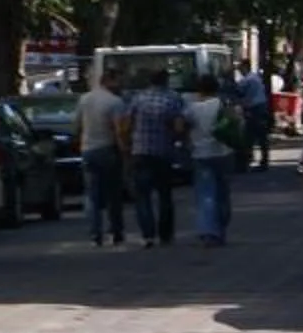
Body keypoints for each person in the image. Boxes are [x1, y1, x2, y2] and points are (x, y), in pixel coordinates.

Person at [119, 67, 188, 249]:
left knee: (143, 196)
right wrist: (176, 139)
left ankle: (147, 235)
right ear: (166, 81)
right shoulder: (173, 98)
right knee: (165, 195)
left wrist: (127, 145)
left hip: (140, 152)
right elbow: (179, 127)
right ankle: (165, 235)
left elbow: (125, 125)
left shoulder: (138, 98)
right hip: (163, 153)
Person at [74, 68, 129, 248]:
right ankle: (116, 232)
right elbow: (119, 130)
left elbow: (77, 125)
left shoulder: (84, 99)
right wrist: (124, 151)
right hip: (108, 149)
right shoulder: (115, 102)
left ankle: (95, 233)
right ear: (110, 81)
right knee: (113, 194)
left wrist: (80, 144)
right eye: (119, 81)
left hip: (88, 149)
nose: (121, 85)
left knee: (92, 194)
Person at [184, 74, 236, 247]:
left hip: (201, 154)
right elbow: (235, 122)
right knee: (223, 193)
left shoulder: (192, 108)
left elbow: (180, 126)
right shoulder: (223, 104)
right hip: (223, 152)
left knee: (206, 194)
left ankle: (209, 231)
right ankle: (221, 226)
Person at [233, 62, 274, 171]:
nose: (240, 71)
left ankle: (246, 161)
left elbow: (238, 91)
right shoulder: (255, 77)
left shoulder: (247, 80)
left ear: (245, 67)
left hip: (254, 109)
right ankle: (263, 161)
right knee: (261, 136)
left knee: (249, 135)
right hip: (261, 107)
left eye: (241, 68)